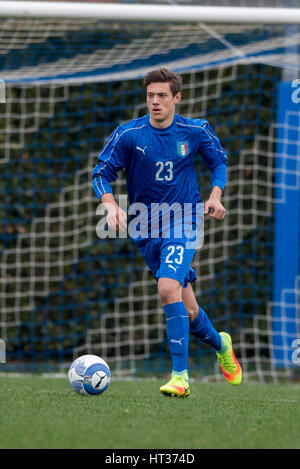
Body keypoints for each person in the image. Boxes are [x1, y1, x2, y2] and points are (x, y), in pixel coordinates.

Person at [92, 68, 242, 397]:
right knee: (186, 308)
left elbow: (218, 162)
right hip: (145, 227)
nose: (155, 102)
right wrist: (110, 203)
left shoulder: (196, 130)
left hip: (184, 220)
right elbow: (101, 172)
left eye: (162, 96)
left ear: (177, 97)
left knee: (165, 288)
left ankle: (181, 377)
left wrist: (215, 196)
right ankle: (221, 343)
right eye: (150, 96)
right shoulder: (129, 134)